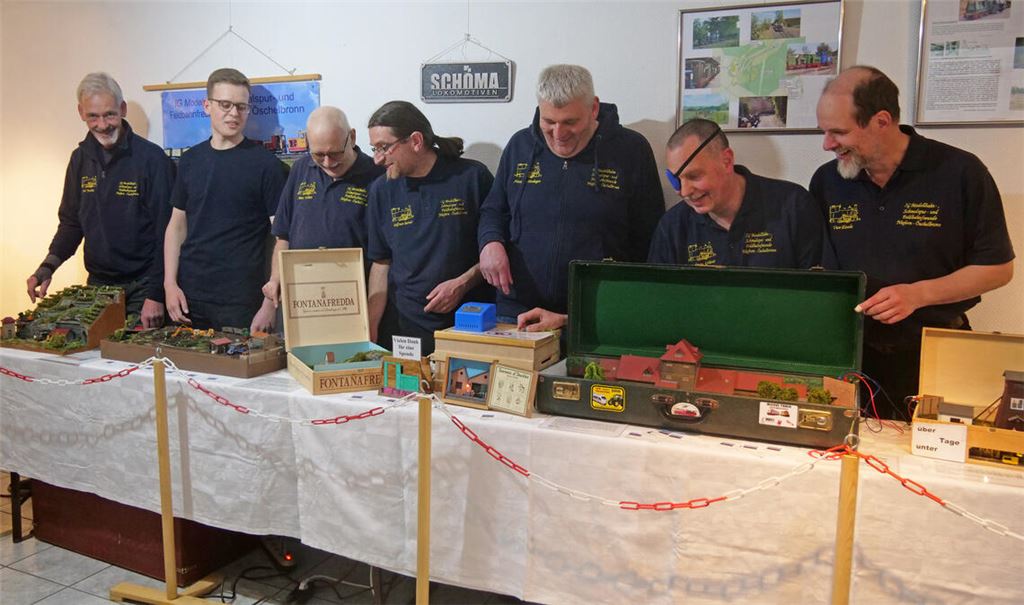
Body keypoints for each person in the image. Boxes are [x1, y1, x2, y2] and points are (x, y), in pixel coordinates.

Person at [811, 65, 1014, 419]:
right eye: (825, 132)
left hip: (936, 355)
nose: (827, 144)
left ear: (882, 121)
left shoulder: (959, 172)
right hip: (852, 358)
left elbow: (998, 268)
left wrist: (918, 295)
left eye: (839, 132)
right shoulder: (827, 181)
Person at [477, 64, 663, 332]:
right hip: (517, 311)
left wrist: (625, 305)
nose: (558, 134)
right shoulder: (520, 146)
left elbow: (649, 237)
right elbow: (493, 209)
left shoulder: (631, 150)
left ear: (594, 109)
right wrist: (490, 243)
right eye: (548, 122)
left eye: (570, 122)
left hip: (594, 312)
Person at [27, 72, 175, 327]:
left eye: (109, 114)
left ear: (123, 109)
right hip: (98, 286)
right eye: (93, 116)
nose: (102, 125)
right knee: (94, 360)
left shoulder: (153, 160)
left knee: (136, 363)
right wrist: (47, 267)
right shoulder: (79, 159)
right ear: (81, 113)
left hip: (143, 287)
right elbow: (72, 223)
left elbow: (168, 233)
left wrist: (156, 294)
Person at [164, 68, 287, 332]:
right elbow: (176, 226)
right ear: (207, 105)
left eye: (241, 107)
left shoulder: (266, 166)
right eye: (225, 105)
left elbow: (282, 236)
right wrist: (169, 284)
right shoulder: (190, 161)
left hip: (241, 302)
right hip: (189, 298)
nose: (234, 113)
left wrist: (269, 303)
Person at [366, 101, 494, 355]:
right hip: (406, 329)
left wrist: (462, 283)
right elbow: (382, 263)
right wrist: (370, 326)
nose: (377, 159)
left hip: (469, 324)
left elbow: (498, 250)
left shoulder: (471, 178)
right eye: (374, 149)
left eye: (384, 148)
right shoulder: (381, 190)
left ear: (415, 140)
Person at [648, 118, 825, 268]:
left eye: (694, 176)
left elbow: (819, 291)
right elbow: (659, 300)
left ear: (727, 160)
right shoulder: (672, 226)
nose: (684, 191)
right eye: (676, 180)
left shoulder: (794, 207)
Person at [262, 106, 384, 307]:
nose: (327, 162)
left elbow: (383, 258)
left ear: (352, 138)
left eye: (335, 153)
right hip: (302, 298)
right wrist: (276, 278)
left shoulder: (377, 176)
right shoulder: (301, 168)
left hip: (353, 300)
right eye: (318, 155)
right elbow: (283, 235)